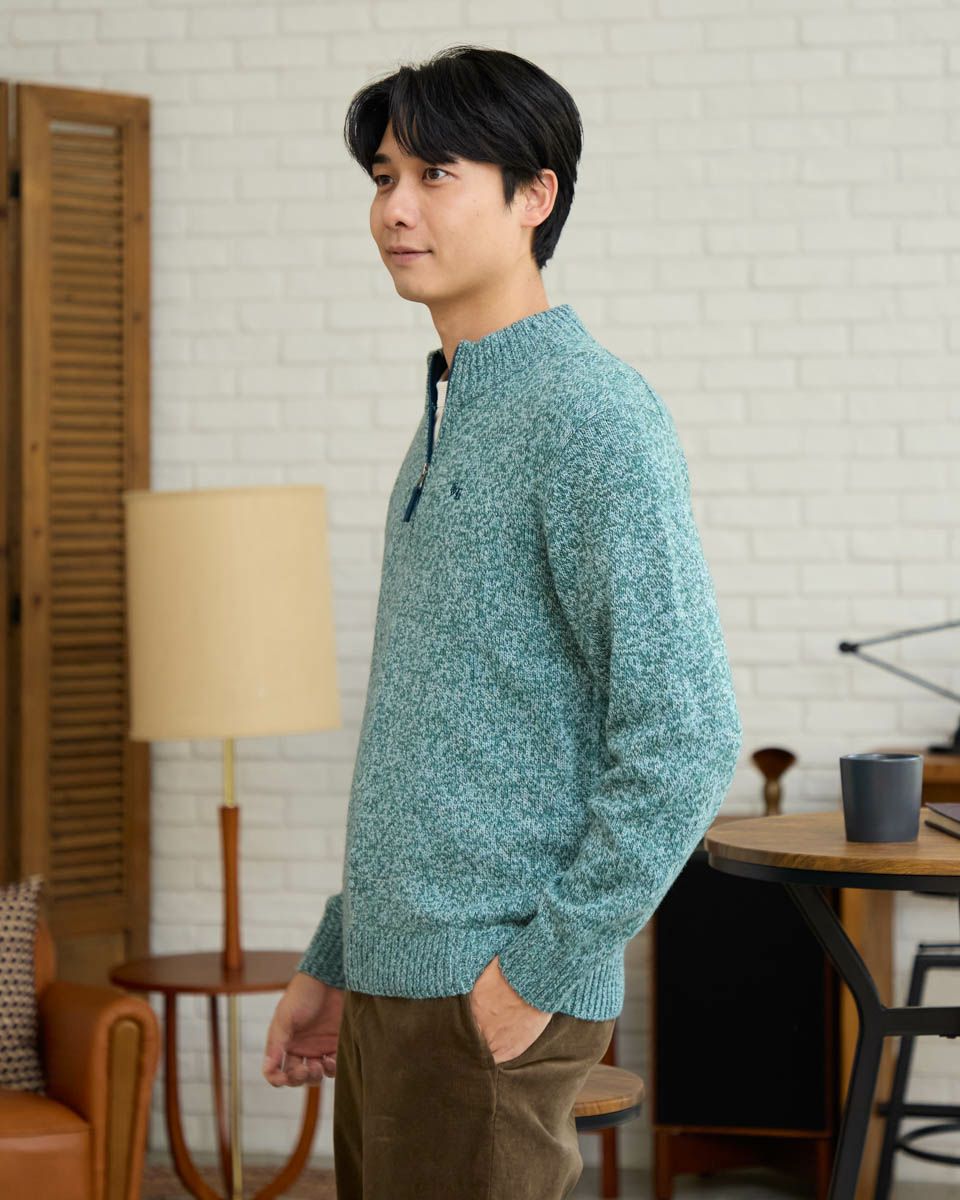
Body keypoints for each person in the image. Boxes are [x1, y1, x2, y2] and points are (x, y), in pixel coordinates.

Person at [262, 44, 742, 1200]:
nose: (395, 208)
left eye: (436, 174)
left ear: (536, 195)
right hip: (397, 984)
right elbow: (431, 735)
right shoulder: (450, 413)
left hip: (485, 990)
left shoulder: (590, 415)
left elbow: (687, 734)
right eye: (384, 176)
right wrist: (339, 952)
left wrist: (539, 971)